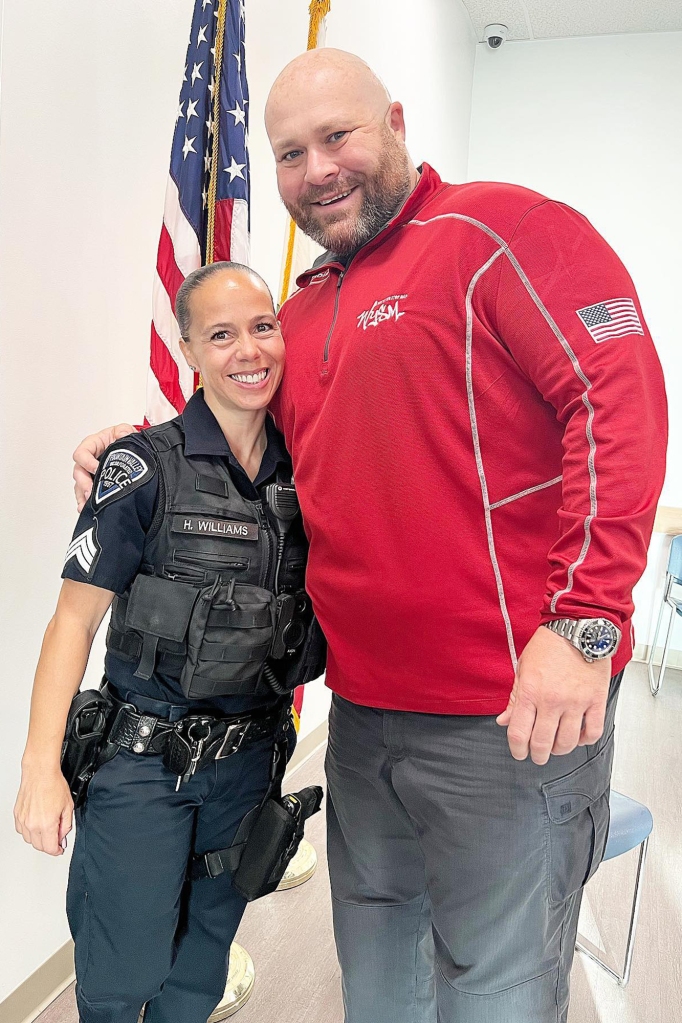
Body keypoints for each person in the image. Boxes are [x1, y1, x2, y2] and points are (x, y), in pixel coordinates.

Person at [72, 50, 667, 1023]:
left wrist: (586, 623)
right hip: (363, 721)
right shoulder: (301, 313)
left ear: (392, 120)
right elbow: (250, 453)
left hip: (508, 718)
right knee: (381, 978)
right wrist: (142, 451)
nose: (317, 171)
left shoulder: (504, 231)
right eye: (290, 154)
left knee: (499, 990)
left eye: (336, 137)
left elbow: (616, 401)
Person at [15, 263, 323, 1023]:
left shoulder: (309, 468)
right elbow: (73, 621)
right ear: (187, 348)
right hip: (143, 768)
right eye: (221, 334)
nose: (248, 349)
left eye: (262, 326)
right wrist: (38, 767)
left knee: (199, 971)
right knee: (123, 976)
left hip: (249, 766)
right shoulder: (143, 465)